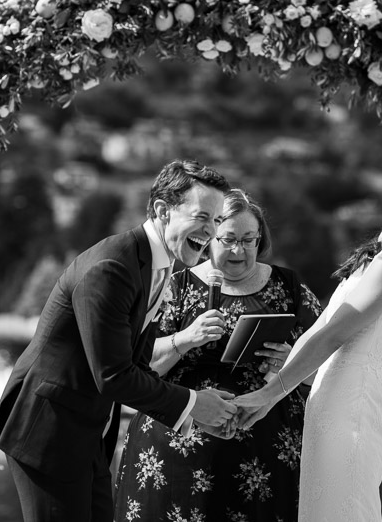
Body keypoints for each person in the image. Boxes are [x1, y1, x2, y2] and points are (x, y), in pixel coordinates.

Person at [0, 159, 240, 522]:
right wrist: (192, 404)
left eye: (217, 221)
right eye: (202, 217)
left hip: (85, 430)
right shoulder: (112, 268)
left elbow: (135, 362)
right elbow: (113, 374)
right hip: (48, 430)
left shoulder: (157, 264)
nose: (211, 231)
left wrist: (195, 409)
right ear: (162, 211)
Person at [234, 184, 382, 521]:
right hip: (330, 407)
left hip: (349, 413)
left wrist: (267, 395)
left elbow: (332, 335)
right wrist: (283, 377)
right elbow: (325, 336)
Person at [113, 188, 322, 521]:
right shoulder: (173, 285)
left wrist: (290, 362)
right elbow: (135, 366)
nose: (239, 250)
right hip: (176, 455)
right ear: (208, 237)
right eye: (228, 240)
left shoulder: (290, 286)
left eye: (248, 239)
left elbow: (330, 365)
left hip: (267, 458)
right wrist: (186, 338)